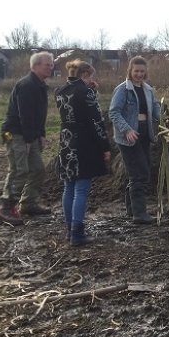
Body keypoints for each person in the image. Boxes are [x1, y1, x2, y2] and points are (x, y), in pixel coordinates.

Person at [54, 60, 111, 246]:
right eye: (91, 76)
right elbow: (95, 121)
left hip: (66, 142)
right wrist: (105, 147)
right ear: (84, 74)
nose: (93, 79)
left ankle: (69, 229)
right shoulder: (85, 92)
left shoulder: (60, 92)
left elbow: (74, 112)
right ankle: (77, 233)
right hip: (84, 143)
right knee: (81, 188)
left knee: (68, 187)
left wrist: (91, 91)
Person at [0, 51, 55, 225]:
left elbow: (39, 115)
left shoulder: (40, 85)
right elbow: (26, 116)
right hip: (15, 133)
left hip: (30, 134)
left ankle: (28, 203)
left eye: (52, 64)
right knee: (19, 170)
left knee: (37, 169)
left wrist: (41, 135)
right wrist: (32, 138)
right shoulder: (27, 85)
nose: (51, 67)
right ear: (35, 65)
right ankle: (6, 208)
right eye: (48, 64)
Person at [109, 56, 161, 224]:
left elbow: (154, 107)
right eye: (136, 71)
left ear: (146, 73)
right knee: (140, 173)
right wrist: (127, 129)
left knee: (140, 173)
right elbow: (114, 112)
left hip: (145, 134)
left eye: (142, 71)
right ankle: (139, 213)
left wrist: (163, 118)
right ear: (130, 71)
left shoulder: (147, 89)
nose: (139, 74)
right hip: (128, 137)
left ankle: (131, 209)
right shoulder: (123, 89)